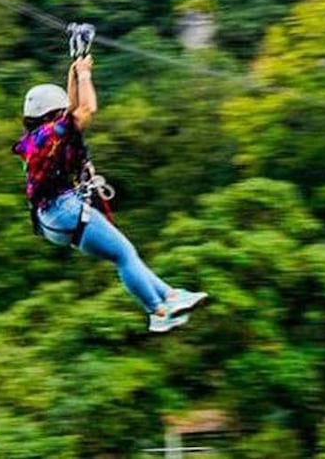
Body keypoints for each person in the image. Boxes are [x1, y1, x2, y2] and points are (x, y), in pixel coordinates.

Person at [12, 55, 207, 332]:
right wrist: (85, 76)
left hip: (51, 220)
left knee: (125, 253)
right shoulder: (52, 133)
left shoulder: (39, 139)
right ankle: (158, 311)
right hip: (65, 210)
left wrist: (74, 72)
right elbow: (86, 108)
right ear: (51, 114)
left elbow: (73, 109)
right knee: (124, 254)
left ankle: (170, 296)